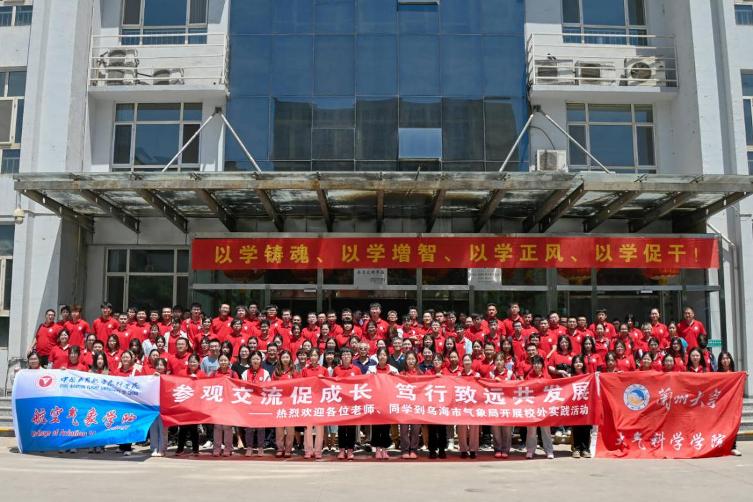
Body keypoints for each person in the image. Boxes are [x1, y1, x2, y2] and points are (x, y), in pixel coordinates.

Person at [368, 347, 398, 459]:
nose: (382, 357)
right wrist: (370, 376)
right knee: (376, 427)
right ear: (377, 356)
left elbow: (398, 384)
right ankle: (377, 449)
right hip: (375, 402)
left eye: (384, 355)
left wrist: (396, 377)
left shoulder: (393, 369)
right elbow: (365, 383)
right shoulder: (371, 369)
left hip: (387, 402)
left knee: (386, 427)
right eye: (380, 354)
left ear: (387, 356)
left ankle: (384, 449)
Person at [241, 351, 271, 457]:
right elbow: (242, 387)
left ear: (261, 360)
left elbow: (269, 387)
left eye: (257, 359)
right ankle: (249, 447)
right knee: (249, 427)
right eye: (253, 359)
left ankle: (260, 447)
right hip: (249, 403)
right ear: (250, 360)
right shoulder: (245, 373)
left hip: (261, 403)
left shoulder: (265, 373)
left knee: (261, 427)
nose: (255, 361)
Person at [333, 347, 360, 460]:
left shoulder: (356, 369)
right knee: (341, 428)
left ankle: (350, 450)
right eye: (344, 354)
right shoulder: (336, 369)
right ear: (341, 357)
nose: (346, 356)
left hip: (352, 402)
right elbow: (331, 384)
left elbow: (361, 384)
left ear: (352, 357)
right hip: (340, 402)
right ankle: (341, 449)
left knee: (351, 427)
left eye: (348, 354)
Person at [525, 356, 554, 459]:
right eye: (535, 363)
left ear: (542, 365)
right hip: (532, 407)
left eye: (539, 363)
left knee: (546, 430)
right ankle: (530, 450)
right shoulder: (529, 377)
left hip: (544, 407)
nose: (536, 365)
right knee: (531, 431)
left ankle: (549, 451)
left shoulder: (547, 377)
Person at [301, 348, 327, 459]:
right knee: (307, 427)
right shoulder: (305, 370)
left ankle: (318, 450)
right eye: (311, 355)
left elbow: (328, 385)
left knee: (319, 427)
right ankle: (308, 450)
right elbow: (301, 384)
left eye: (315, 355)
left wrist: (322, 380)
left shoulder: (324, 370)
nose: (313, 357)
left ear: (319, 357)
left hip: (320, 401)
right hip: (308, 400)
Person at [176, 353, 204, 456]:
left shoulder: (202, 374)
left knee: (194, 428)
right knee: (182, 428)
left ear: (198, 363)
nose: (192, 364)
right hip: (184, 404)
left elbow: (205, 388)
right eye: (191, 362)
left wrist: (197, 380)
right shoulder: (181, 372)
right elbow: (177, 385)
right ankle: (180, 448)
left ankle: (195, 449)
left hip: (195, 405)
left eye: (194, 362)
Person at [717, 351, 742, 456]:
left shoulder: (735, 374)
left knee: (733, 424)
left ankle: (733, 447)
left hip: (732, 404)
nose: (725, 360)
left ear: (730, 360)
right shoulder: (716, 374)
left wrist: (743, 377)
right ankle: (720, 446)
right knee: (720, 425)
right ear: (720, 361)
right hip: (720, 405)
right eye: (723, 359)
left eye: (727, 358)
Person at [273, 350, 296, 458]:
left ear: (290, 359)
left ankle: (288, 448)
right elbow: (271, 386)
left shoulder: (294, 371)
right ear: (280, 359)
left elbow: (300, 385)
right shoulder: (276, 372)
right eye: (283, 357)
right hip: (279, 403)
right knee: (279, 428)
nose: (285, 359)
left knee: (290, 428)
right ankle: (280, 448)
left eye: (287, 357)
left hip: (291, 403)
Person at [399, 351, 422, 459]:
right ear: (406, 361)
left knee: (415, 429)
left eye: (413, 359)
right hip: (404, 405)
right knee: (404, 429)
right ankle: (405, 449)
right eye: (409, 359)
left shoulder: (420, 374)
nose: (411, 361)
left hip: (416, 405)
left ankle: (413, 449)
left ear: (416, 360)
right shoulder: (402, 373)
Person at [457, 354, 480, 459]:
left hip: (473, 404)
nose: (466, 362)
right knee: (461, 427)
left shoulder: (476, 375)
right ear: (462, 362)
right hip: (462, 404)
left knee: (474, 427)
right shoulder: (459, 375)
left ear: (471, 362)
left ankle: (473, 449)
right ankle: (463, 449)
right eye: (465, 360)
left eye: (468, 360)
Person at [212, 354, 234, 457]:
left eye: (225, 360)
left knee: (227, 427)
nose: (223, 362)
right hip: (217, 404)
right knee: (217, 427)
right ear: (218, 362)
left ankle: (228, 447)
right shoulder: (214, 373)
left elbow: (239, 386)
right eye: (221, 360)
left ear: (229, 361)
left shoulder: (233, 373)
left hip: (229, 404)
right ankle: (217, 447)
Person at [569, 355, 591, 458]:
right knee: (576, 427)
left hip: (585, 405)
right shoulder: (570, 376)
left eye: (580, 362)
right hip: (574, 406)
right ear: (573, 364)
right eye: (576, 362)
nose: (578, 364)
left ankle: (585, 449)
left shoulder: (588, 376)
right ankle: (576, 448)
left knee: (586, 427)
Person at [427, 352, 447, 459]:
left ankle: (442, 449)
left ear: (442, 362)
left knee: (442, 428)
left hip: (444, 404)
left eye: (438, 360)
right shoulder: (428, 372)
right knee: (432, 429)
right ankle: (432, 450)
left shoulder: (446, 372)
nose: (436, 361)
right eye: (434, 360)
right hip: (432, 405)